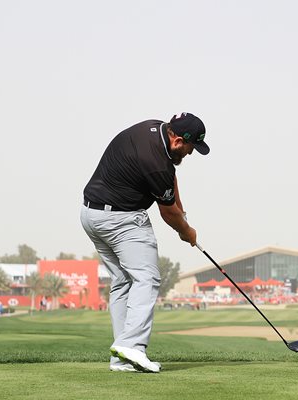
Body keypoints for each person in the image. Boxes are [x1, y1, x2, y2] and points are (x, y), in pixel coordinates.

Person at [80, 112, 209, 373]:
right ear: (177, 142)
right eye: (190, 147)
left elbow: (169, 178)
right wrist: (187, 230)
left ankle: (121, 358)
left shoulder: (155, 129)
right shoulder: (156, 163)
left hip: (91, 216)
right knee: (146, 278)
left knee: (123, 281)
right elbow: (167, 213)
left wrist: (182, 214)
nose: (190, 153)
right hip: (121, 219)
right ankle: (134, 346)